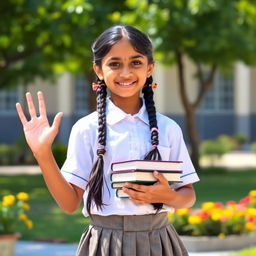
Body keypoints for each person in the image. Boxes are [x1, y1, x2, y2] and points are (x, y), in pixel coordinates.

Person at [16, 25, 200, 256]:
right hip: (105, 243)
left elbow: (188, 195)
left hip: (159, 241)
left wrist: (167, 196)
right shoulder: (86, 129)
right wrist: (42, 153)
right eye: (114, 64)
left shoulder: (168, 129)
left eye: (136, 62)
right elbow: (69, 203)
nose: (125, 73)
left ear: (150, 68)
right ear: (99, 70)